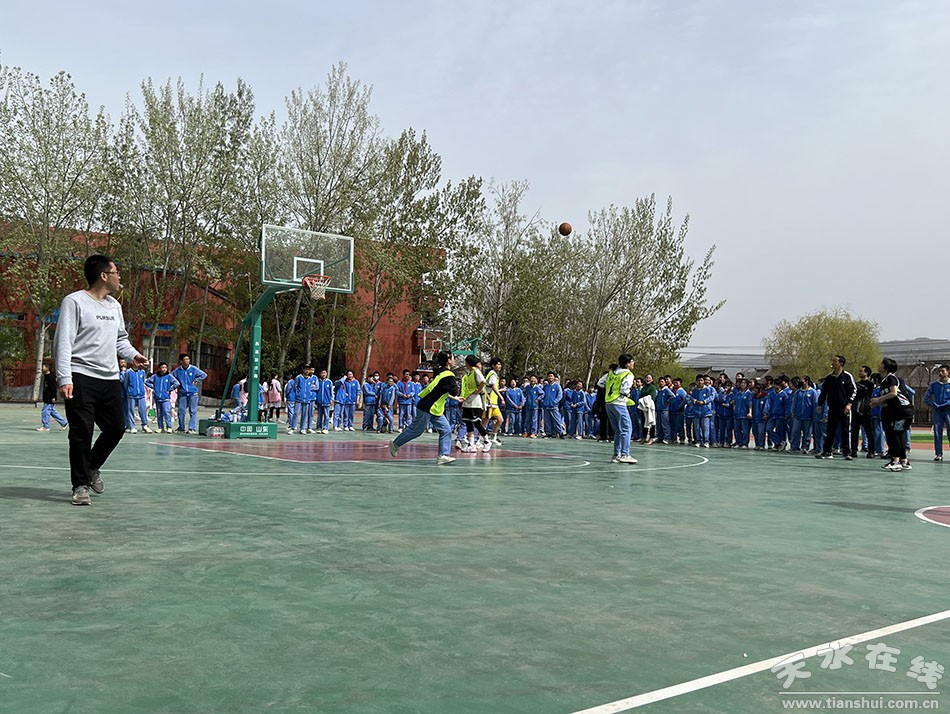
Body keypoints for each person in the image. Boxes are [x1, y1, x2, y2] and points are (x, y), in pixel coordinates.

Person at [55, 254, 148, 506]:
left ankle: (91, 467)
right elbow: (64, 342)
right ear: (104, 276)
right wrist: (64, 377)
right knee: (81, 433)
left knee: (117, 428)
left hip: (109, 379)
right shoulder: (74, 302)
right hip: (81, 377)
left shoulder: (114, 306)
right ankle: (80, 486)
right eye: (116, 272)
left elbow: (120, 340)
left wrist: (133, 355)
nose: (120, 278)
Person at [389, 350, 460, 465]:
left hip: (434, 408)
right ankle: (395, 444)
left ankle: (443, 455)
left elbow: (440, 390)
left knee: (446, 429)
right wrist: (455, 392)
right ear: (448, 360)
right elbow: (454, 391)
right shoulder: (449, 375)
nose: (454, 360)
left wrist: (455, 397)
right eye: (453, 358)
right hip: (428, 407)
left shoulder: (440, 373)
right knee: (416, 431)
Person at [870, 357, 914, 472]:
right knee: (896, 435)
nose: (879, 364)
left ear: (886, 367)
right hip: (898, 412)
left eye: (881, 363)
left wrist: (878, 399)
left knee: (895, 435)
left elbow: (894, 393)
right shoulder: (884, 381)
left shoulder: (891, 378)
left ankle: (896, 461)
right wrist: (874, 404)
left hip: (903, 412)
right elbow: (888, 400)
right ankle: (904, 461)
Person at [815, 355, 857, 460]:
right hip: (832, 408)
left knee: (845, 430)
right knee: (830, 430)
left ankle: (847, 452)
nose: (833, 363)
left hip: (844, 408)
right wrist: (820, 404)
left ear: (841, 363)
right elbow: (824, 392)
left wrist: (849, 404)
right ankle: (827, 451)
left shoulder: (847, 376)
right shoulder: (829, 378)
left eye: (835, 361)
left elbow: (853, 390)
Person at [601, 354, 637, 464]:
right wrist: (628, 393)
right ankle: (625, 454)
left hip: (609, 402)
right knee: (626, 429)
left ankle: (616, 455)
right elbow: (624, 389)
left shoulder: (612, 372)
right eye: (632, 361)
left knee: (617, 430)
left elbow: (600, 383)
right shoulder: (628, 374)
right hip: (619, 403)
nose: (633, 363)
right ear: (627, 364)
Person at [172, 353, 207, 434]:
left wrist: (196, 380)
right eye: (185, 359)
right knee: (181, 411)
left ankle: (192, 428)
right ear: (181, 361)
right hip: (183, 393)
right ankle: (181, 427)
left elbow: (204, 375)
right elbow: (171, 377)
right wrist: (176, 384)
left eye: (188, 359)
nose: (187, 361)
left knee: (193, 411)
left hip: (193, 393)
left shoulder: (193, 369)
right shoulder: (178, 370)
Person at [924, 365, 950, 462]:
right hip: (937, 411)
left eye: (943, 371)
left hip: (948, 411)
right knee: (937, 432)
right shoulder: (934, 385)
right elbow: (926, 397)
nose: (940, 373)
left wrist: (947, 403)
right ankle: (938, 454)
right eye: (939, 371)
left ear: (948, 372)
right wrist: (933, 404)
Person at [145, 362, 180, 433]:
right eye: (162, 367)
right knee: (159, 413)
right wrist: (154, 387)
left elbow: (177, 383)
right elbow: (147, 382)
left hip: (166, 398)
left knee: (167, 412)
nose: (164, 369)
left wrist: (170, 389)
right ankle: (160, 427)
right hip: (158, 398)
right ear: (159, 368)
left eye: (165, 368)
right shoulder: (155, 376)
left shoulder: (169, 376)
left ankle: (169, 427)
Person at [850, 366, 876, 459]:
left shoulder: (871, 384)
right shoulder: (856, 384)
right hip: (855, 410)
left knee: (869, 432)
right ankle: (853, 450)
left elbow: (865, 393)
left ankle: (871, 451)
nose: (859, 373)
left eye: (861, 371)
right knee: (854, 432)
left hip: (865, 410)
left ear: (867, 373)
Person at [37, 361, 69, 432]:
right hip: (46, 397)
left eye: (43, 366)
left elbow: (54, 388)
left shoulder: (51, 377)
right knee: (52, 411)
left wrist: (53, 397)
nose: (42, 368)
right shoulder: (46, 376)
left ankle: (46, 427)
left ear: (47, 368)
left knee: (45, 411)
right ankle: (64, 423)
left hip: (50, 398)